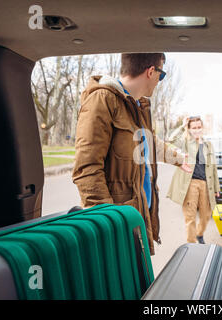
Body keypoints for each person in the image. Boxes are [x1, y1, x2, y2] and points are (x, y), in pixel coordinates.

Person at [72, 53, 191, 255]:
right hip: (118, 223)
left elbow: (147, 143)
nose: (159, 82)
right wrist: (108, 224)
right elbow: (86, 169)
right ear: (151, 71)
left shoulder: (136, 105)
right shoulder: (102, 99)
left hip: (138, 214)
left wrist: (178, 159)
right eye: (161, 76)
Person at [166, 116, 221, 244]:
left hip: (206, 184)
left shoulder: (208, 145)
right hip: (190, 183)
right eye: (194, 128)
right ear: (189, 129)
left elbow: (213, 167)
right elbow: (171, 140)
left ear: (202, 128)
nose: (197, 130)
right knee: (190, 217)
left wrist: (216, 188)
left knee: (206, 215)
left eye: (199, 127)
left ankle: (199, 234)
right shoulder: (185, 142)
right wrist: (182, 126)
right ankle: (191, 243)